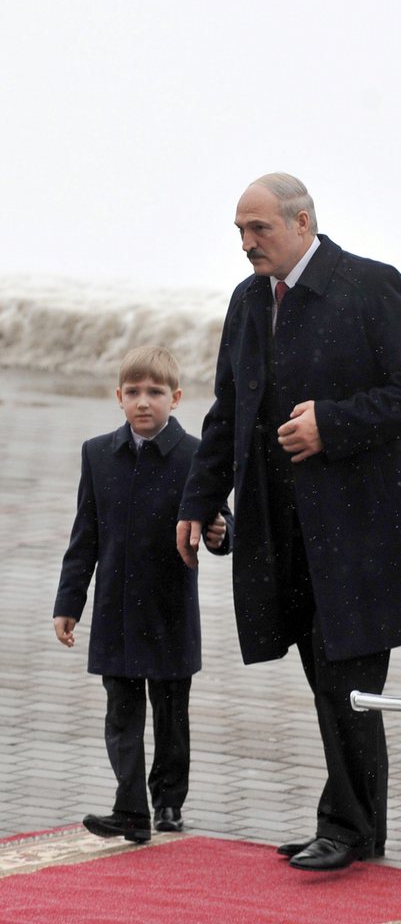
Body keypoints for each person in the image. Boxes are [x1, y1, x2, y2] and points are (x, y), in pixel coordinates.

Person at [176, 172, 401, 871]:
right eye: (239, 230)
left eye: (258, 228)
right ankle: (360, 829)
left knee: (346, 683)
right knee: (330, 683)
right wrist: (199, 500)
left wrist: (335, 423)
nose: (246, 243)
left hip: (363, 530)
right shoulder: (247, 301)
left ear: (302, 222)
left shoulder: (371, 285)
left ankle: (346, 828)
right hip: (282, 530)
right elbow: (228, 412)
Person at [53, 345, 232, 843]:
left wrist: (221, 533)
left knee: (172, 716)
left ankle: (168, 801)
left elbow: (222, 521)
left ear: (175, 397)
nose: (144, 402)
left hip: (170, 609)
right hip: (114, 612)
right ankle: (129, 806)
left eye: (155, 392)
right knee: (121, 715)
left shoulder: (197, 455)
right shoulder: (97, 454)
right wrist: (69, 604)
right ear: (118, 397)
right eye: (133, 392)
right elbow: (83, 536)